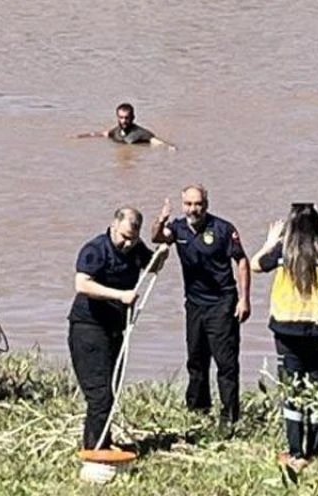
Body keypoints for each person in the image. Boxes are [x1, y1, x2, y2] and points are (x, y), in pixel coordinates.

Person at [254, 202, 318, 473]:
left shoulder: (284, 251)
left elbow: (255, 265)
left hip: (287, 329)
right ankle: (316, 450)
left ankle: (297, 453)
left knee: (293, 391)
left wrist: (269, 241)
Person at [67, 207, 166, 451]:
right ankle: (95, 450)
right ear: (114, 226)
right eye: (123, 237)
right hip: (88, 328)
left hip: (115, 329)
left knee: (110, 391)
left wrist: (163, 251)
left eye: (132, 238)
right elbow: (82, 284)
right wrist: (120, 295)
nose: (127, 243)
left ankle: (100, 442)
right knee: (99, 394)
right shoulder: (96, 249)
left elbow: (152, 266)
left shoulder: (135, 247)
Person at [151, 185, 250, 429]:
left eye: (198, 204)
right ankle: (198, 410)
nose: (193, 209)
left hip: (222, 303)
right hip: (194, 304)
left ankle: (229, 418)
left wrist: (244, 298)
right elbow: (157, 237)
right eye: (188, 204)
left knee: (226, 363)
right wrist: (161, 219)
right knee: (196, 359)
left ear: (206, 204)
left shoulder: (223, 228)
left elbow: (242, 261)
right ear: (182, 204)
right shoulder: (178, 227)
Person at [75, 102, 175, 149]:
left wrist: (169, 147)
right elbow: (102, 134)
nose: (123, 121)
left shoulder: (141, 133)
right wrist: (80, 136)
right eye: (121, 117)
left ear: (133, 118)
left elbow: (155, 141)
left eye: (126, 118)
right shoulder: (116, 132)